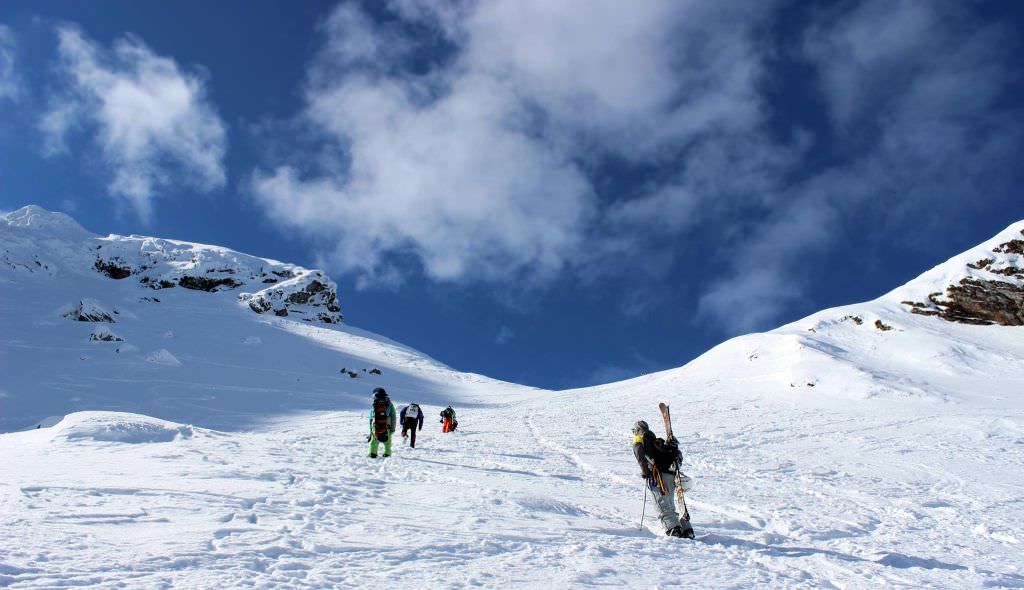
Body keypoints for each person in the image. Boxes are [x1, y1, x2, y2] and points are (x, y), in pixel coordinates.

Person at [633, 420, 694, 538]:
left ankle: (673, 530)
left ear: (638, 430)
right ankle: (687, 529)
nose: (634, 433)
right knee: (670, 505)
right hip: (671, 475)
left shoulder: (639, 441)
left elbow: (641, 457)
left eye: (634, 431)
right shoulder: (656, 441)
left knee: (663, 506)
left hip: (657, 478)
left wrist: (645, 473)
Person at [368, 387, 397, 458]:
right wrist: (393, 429)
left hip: (375, 425)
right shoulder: (389, 404)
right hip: (387, 426)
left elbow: (371, 417)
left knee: (374, 441)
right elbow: (393, 416)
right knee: (387, 441)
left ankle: (372, 453)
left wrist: (370, 430)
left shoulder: (374, 404)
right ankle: (387, 453)